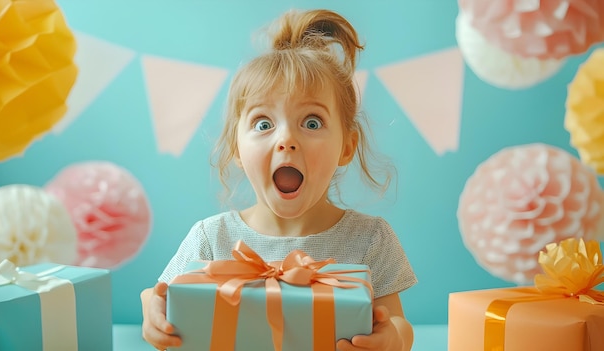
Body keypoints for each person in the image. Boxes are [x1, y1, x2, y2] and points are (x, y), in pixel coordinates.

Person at [141, 8, 417, 351]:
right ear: (237, 149)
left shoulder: (370, 240)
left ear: (347, 146)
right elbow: (157, 296)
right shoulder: (212, 238)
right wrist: (153, 314)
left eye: (312, 122)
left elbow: (399, 324)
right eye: (263, 124)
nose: (286, 140)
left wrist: (393, 339)